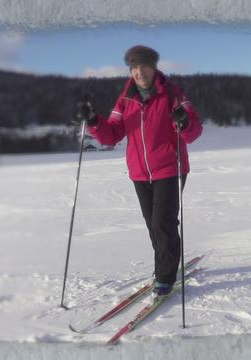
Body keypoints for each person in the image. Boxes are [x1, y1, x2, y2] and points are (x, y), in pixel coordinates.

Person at [76, 45, 203, 296]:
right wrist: (93, 121)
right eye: (133, 67)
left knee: (162, 222)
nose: (138, 72)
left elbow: (194, 131)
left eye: (143, 66)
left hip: (170, 167)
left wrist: (184, 122)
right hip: (139, 172)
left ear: (154, 67)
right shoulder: (125, 100)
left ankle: (165, 277)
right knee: (152, 224)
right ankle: (164, 265)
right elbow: (111, 134)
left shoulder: (172, 94)